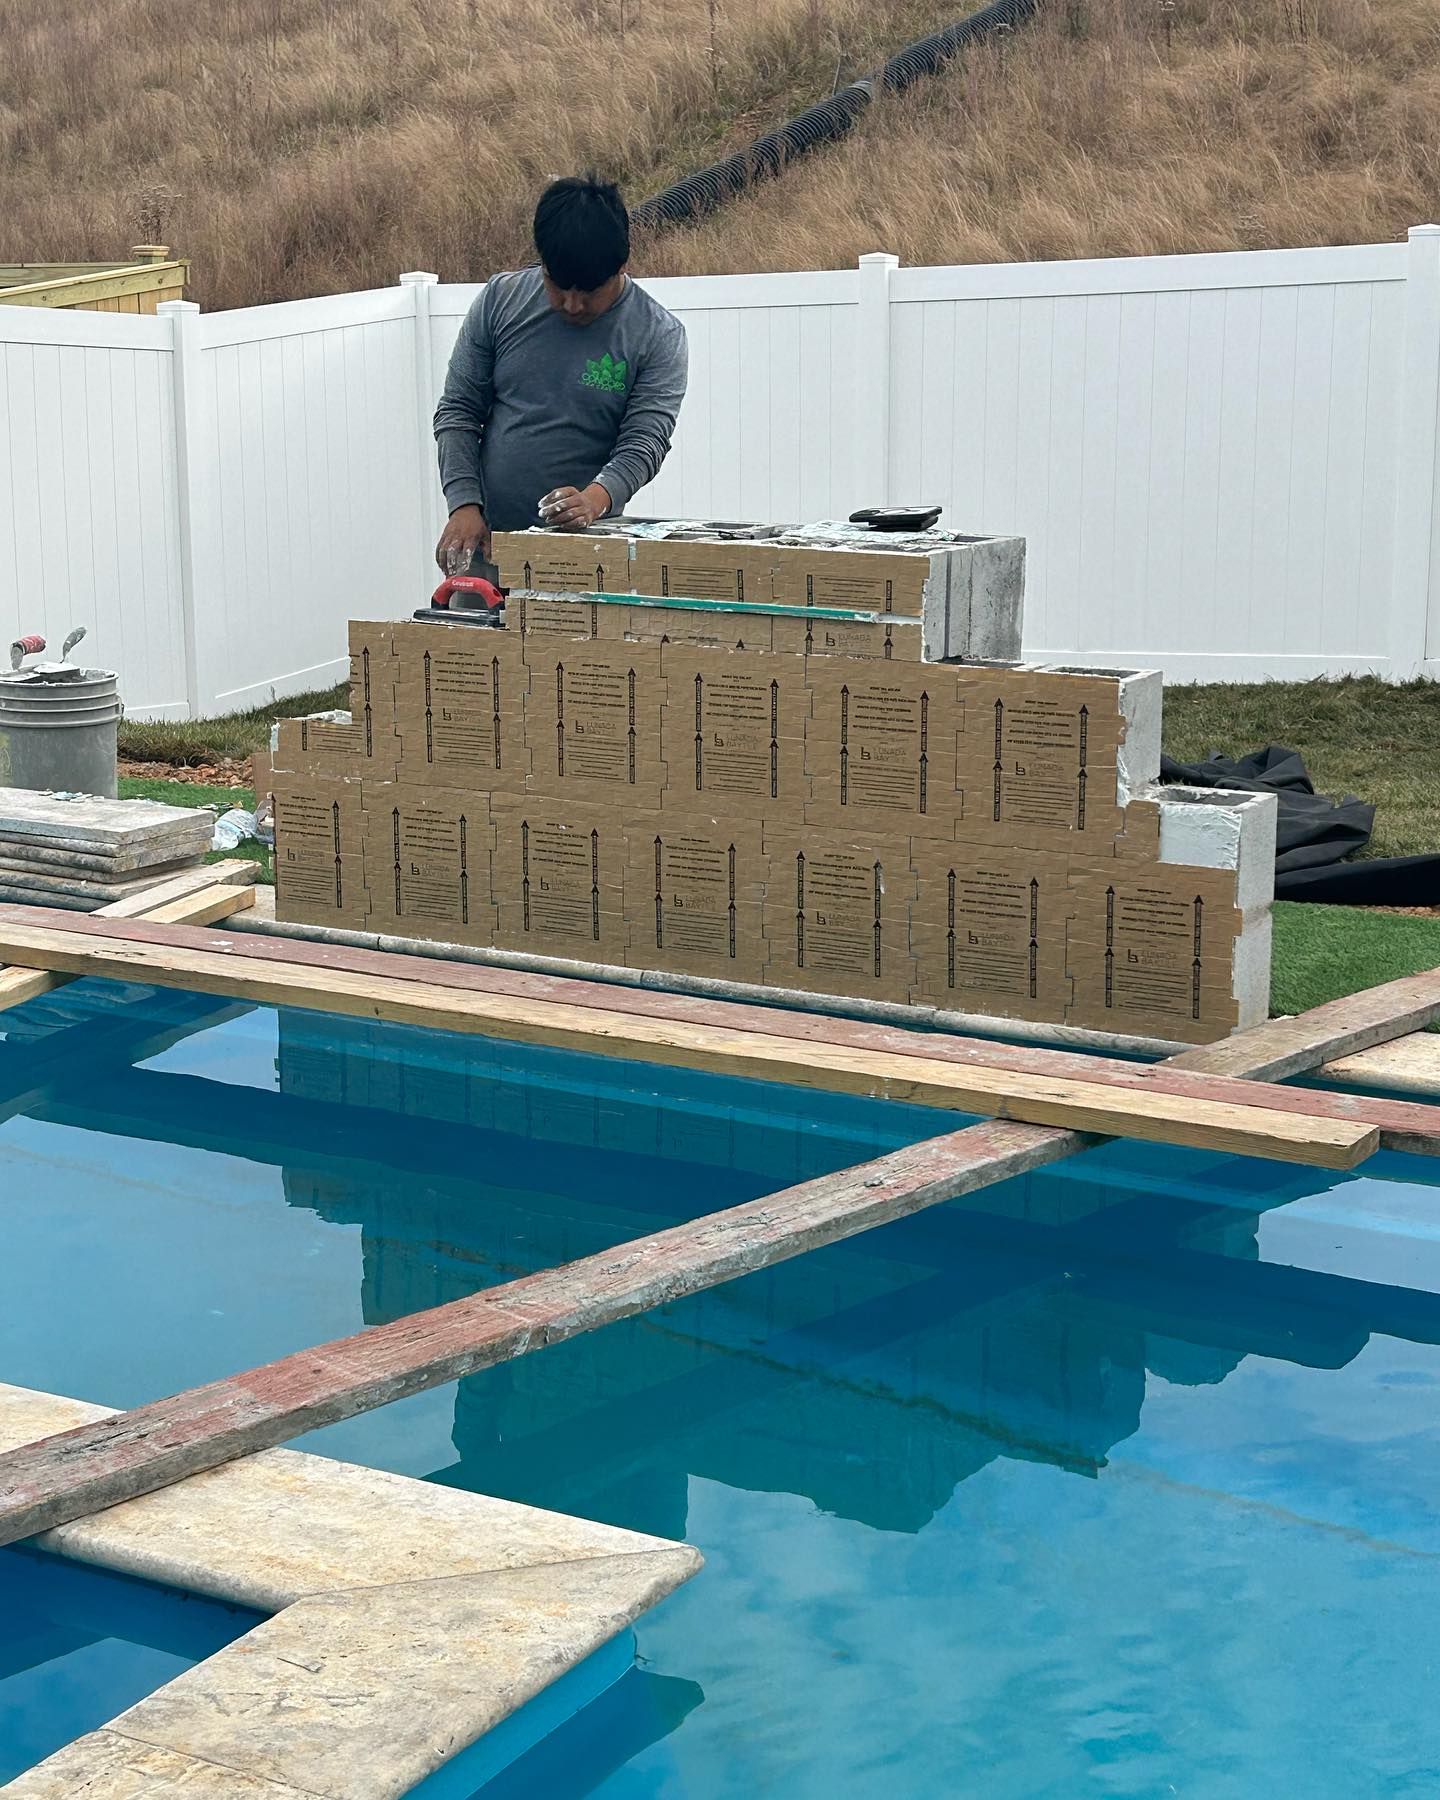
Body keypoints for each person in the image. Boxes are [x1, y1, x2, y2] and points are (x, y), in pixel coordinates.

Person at [432, 176, 689, 576]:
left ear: (620, 267)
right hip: (488, 544)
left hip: (591, 554)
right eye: (557, 285)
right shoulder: (500, 300)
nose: (571, 304)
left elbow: (645, 442)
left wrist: (594, 500)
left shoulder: (657, 335)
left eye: (588, 291)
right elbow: (458, 411)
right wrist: (464, 505)